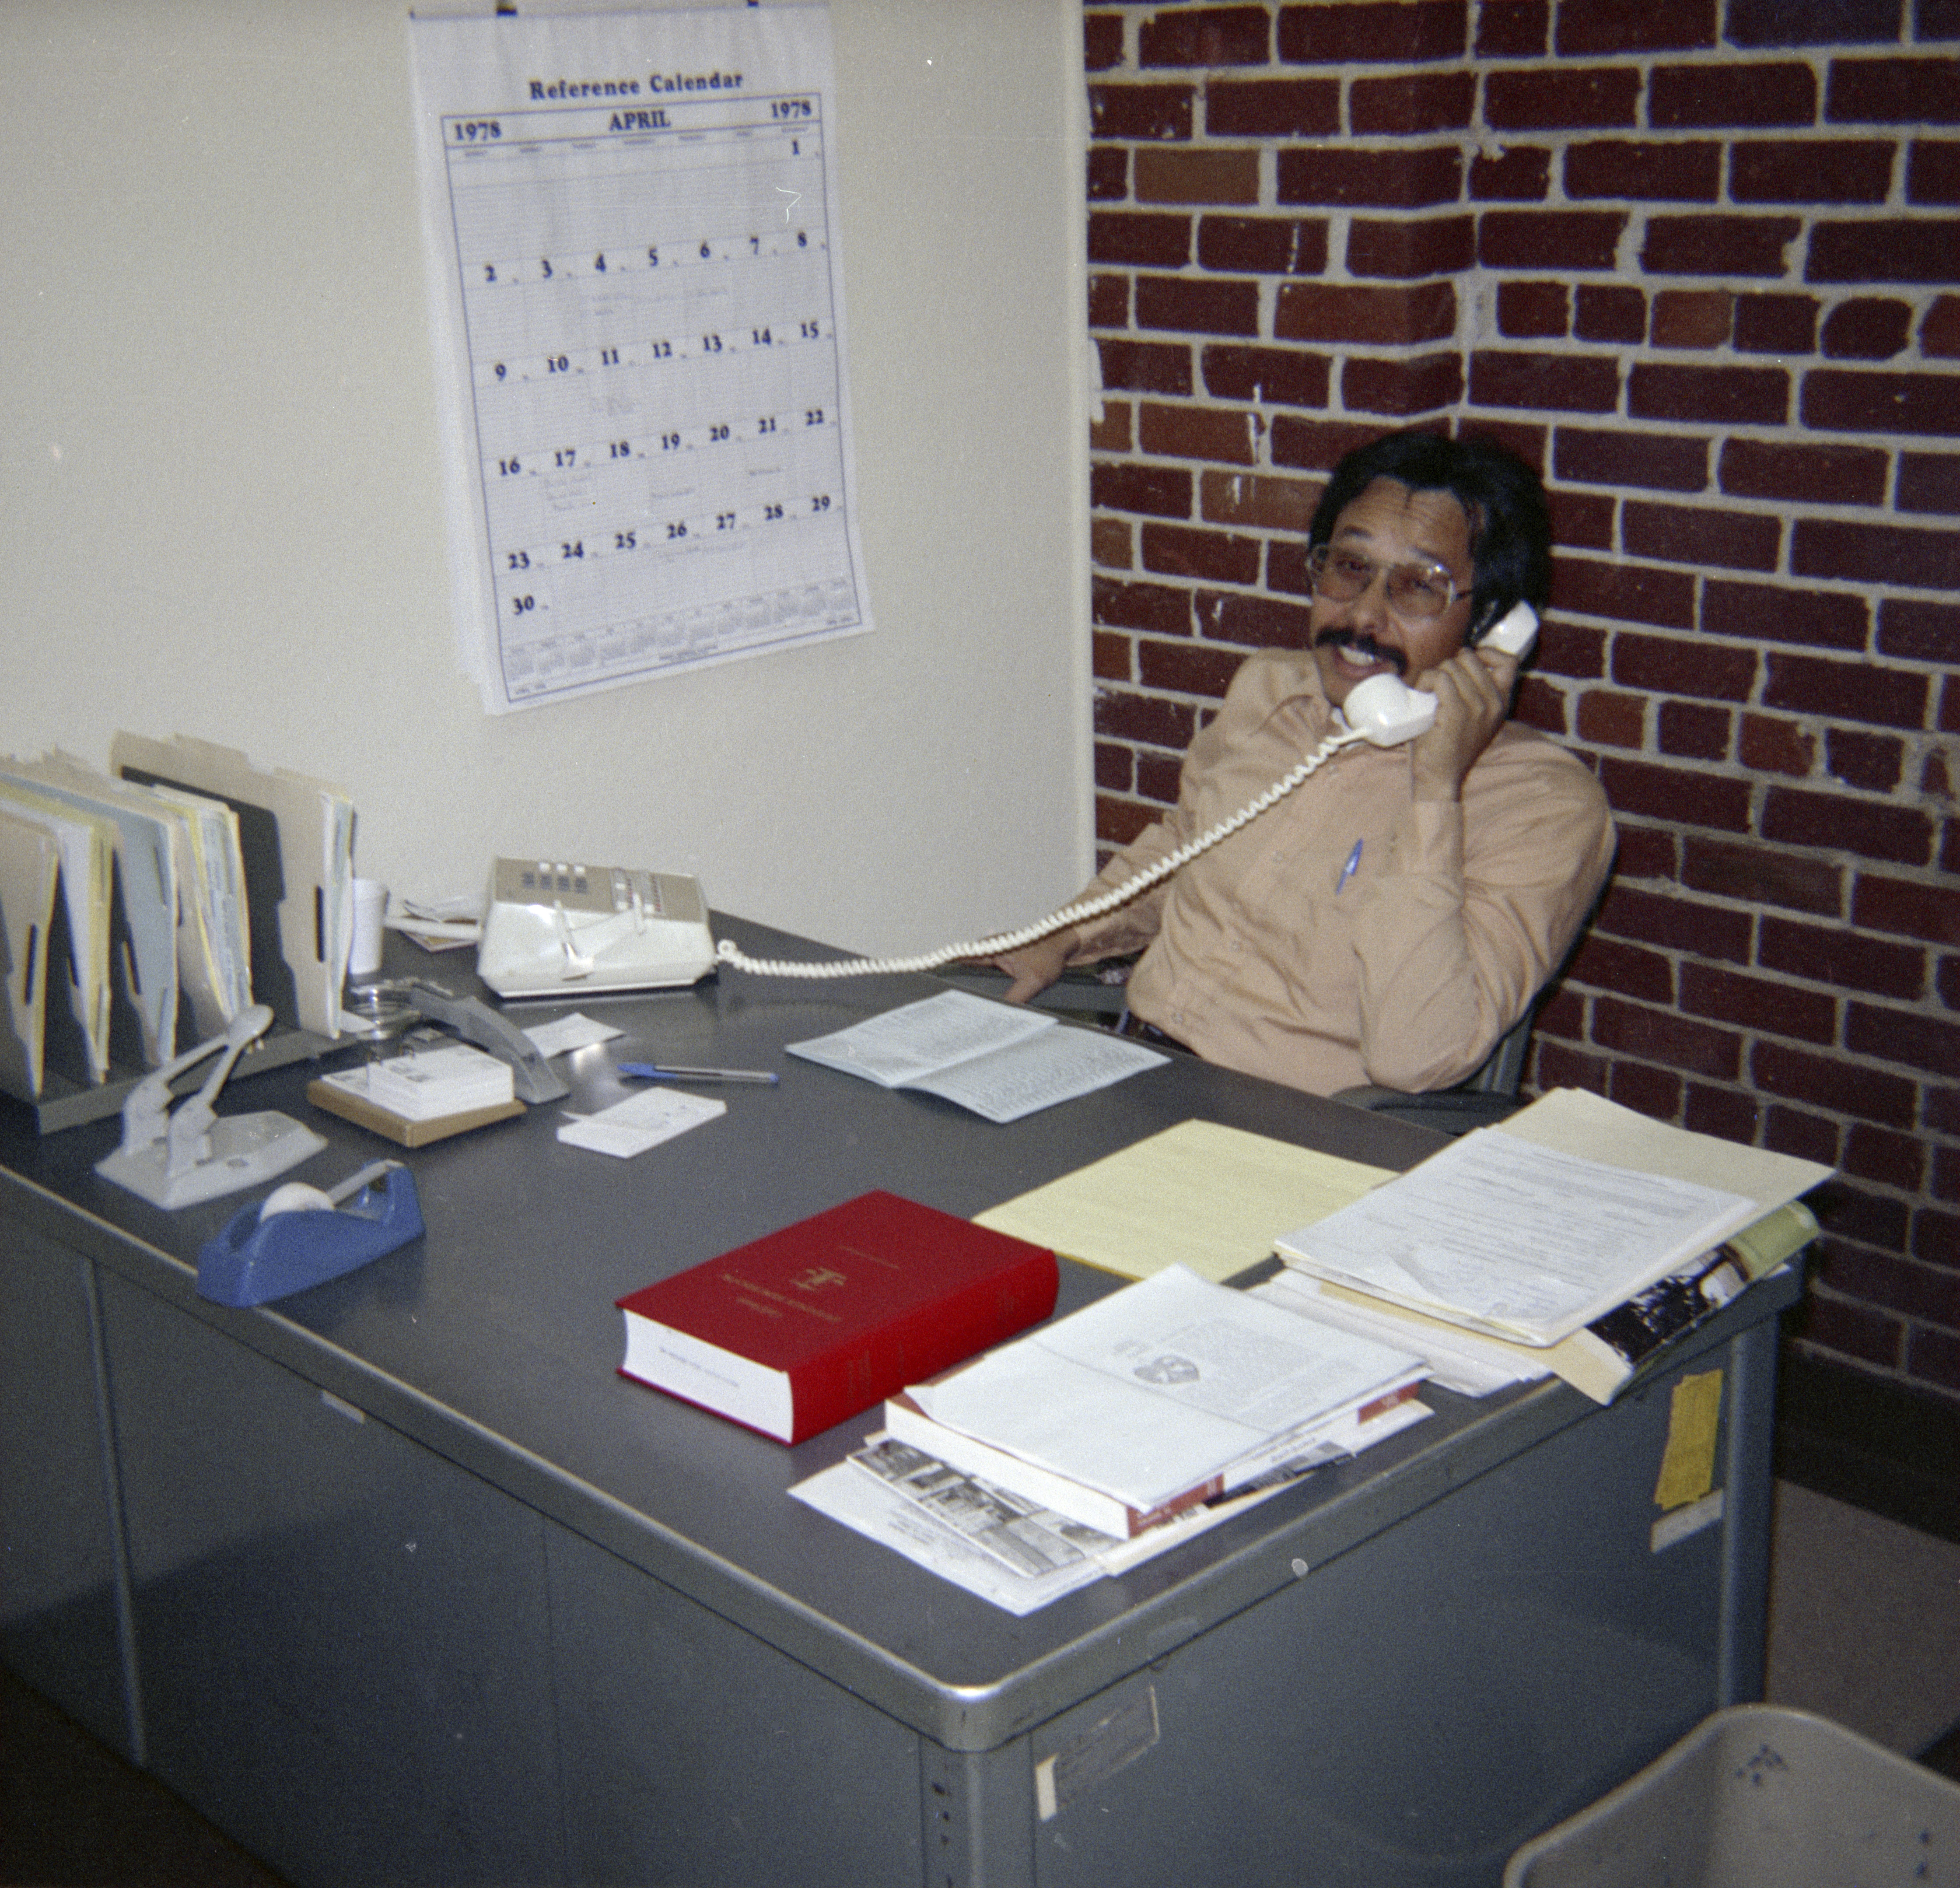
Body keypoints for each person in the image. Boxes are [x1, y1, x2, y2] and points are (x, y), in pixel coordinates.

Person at [985, 429, 1616, 1096]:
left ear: (1491, 625)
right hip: (1135, 1073)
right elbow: (1183, 848)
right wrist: (1064, 936)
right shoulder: (1269, 690)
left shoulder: (1545, 806)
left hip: (1299, 1128)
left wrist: (1436, 790)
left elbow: (1416, 1056)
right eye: (1350, 567)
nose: (1364, 615)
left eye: (1417, 587)